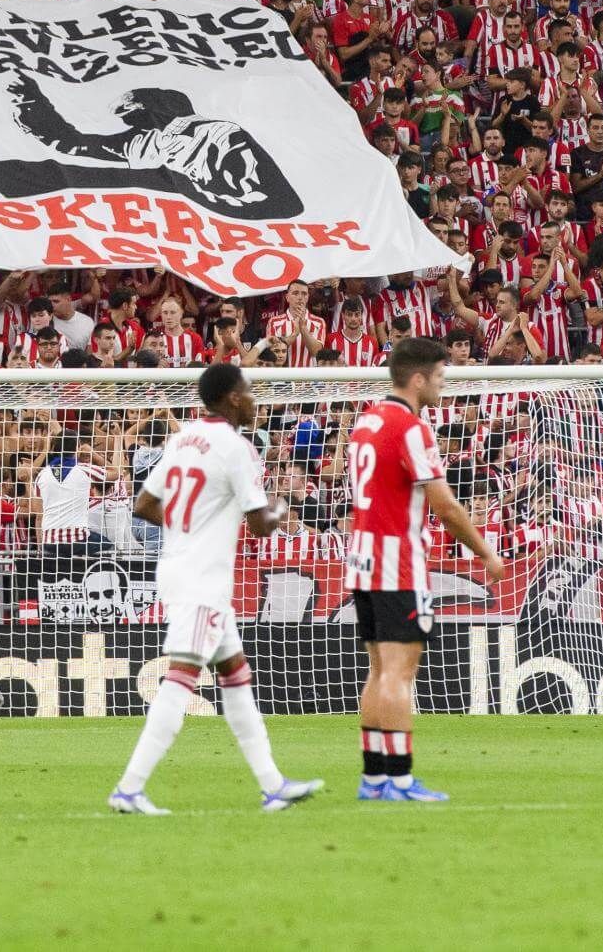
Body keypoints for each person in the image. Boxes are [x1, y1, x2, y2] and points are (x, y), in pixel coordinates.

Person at [109, 363, 322, 815]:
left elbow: (143, 504)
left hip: (180, 567)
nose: (254, 400)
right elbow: (262, 526)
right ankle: (129, 787)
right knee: (181, 681)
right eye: (248, 392)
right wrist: (285, 507)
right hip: (202, 578)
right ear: (230, 398)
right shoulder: (235, 447)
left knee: (235, 676)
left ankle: (272, 783)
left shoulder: (182, 438)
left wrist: (189, 527)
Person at [346, 338, 504, 803]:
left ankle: (374, 777)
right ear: (417, 379)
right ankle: (398, 778)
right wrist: (485, 553)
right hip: (397, 563)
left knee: (378, 671)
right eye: (439, 377)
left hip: (361, 559)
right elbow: (446, 506)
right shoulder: (410, 428)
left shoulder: (366, 421)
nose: (442, 386)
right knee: (398, 673)